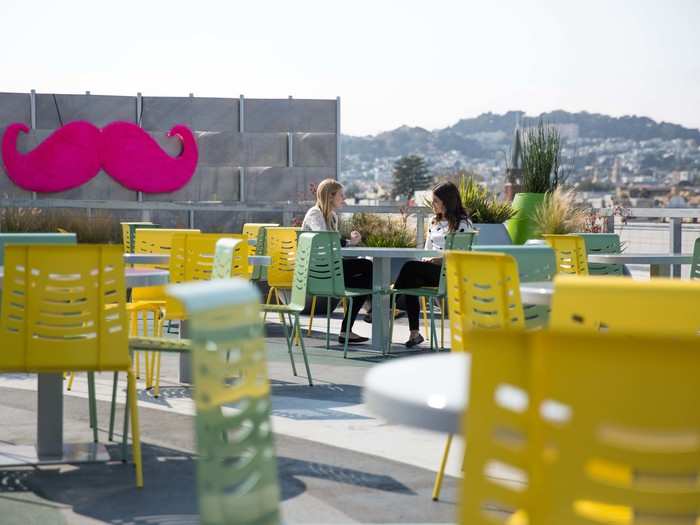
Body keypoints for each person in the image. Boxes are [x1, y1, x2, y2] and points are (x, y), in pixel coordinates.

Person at [393, 181, 473, 348]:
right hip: (431, 271)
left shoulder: (463, 224)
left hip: (449, 272)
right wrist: (428, 261)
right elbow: (426, 250)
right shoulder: (433, 222)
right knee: (410, 279)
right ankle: (414, 333)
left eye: (436, 201)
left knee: (409, 268)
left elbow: (462, 256)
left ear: (447, 201)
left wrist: (439, 260)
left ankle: (388, 304)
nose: (433, 204)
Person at [301, 179, 373, 344]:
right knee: (366, 267)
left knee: (364, 280)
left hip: (330, 269)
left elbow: (333, 244)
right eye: (341, 195)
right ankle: (373, 308)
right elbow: (326, 240)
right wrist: (348, 242)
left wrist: (350, 242)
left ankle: (348, 330)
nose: (344, 198)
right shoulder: (315, 214)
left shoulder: (331, 216)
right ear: (330, 196)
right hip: (318, 272)